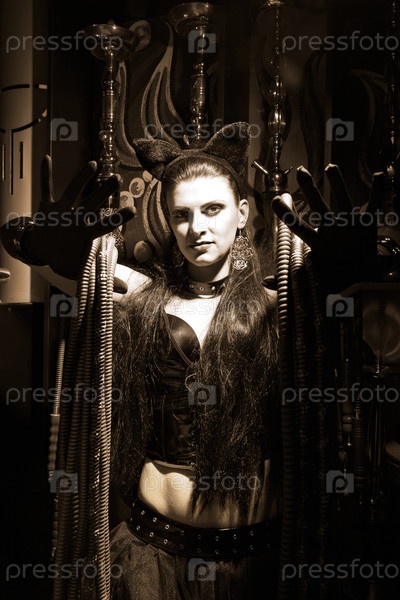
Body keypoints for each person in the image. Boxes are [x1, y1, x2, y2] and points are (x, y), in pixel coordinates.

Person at [1, 122, 281, 599]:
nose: (197, 228)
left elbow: (363, 280)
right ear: (169, 221)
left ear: (242, 213)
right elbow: (23, 245)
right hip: (155, 557)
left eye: (212, 209)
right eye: (181, 214)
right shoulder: (142, 294)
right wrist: (42, 241)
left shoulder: (282, 304)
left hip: (254, 564)